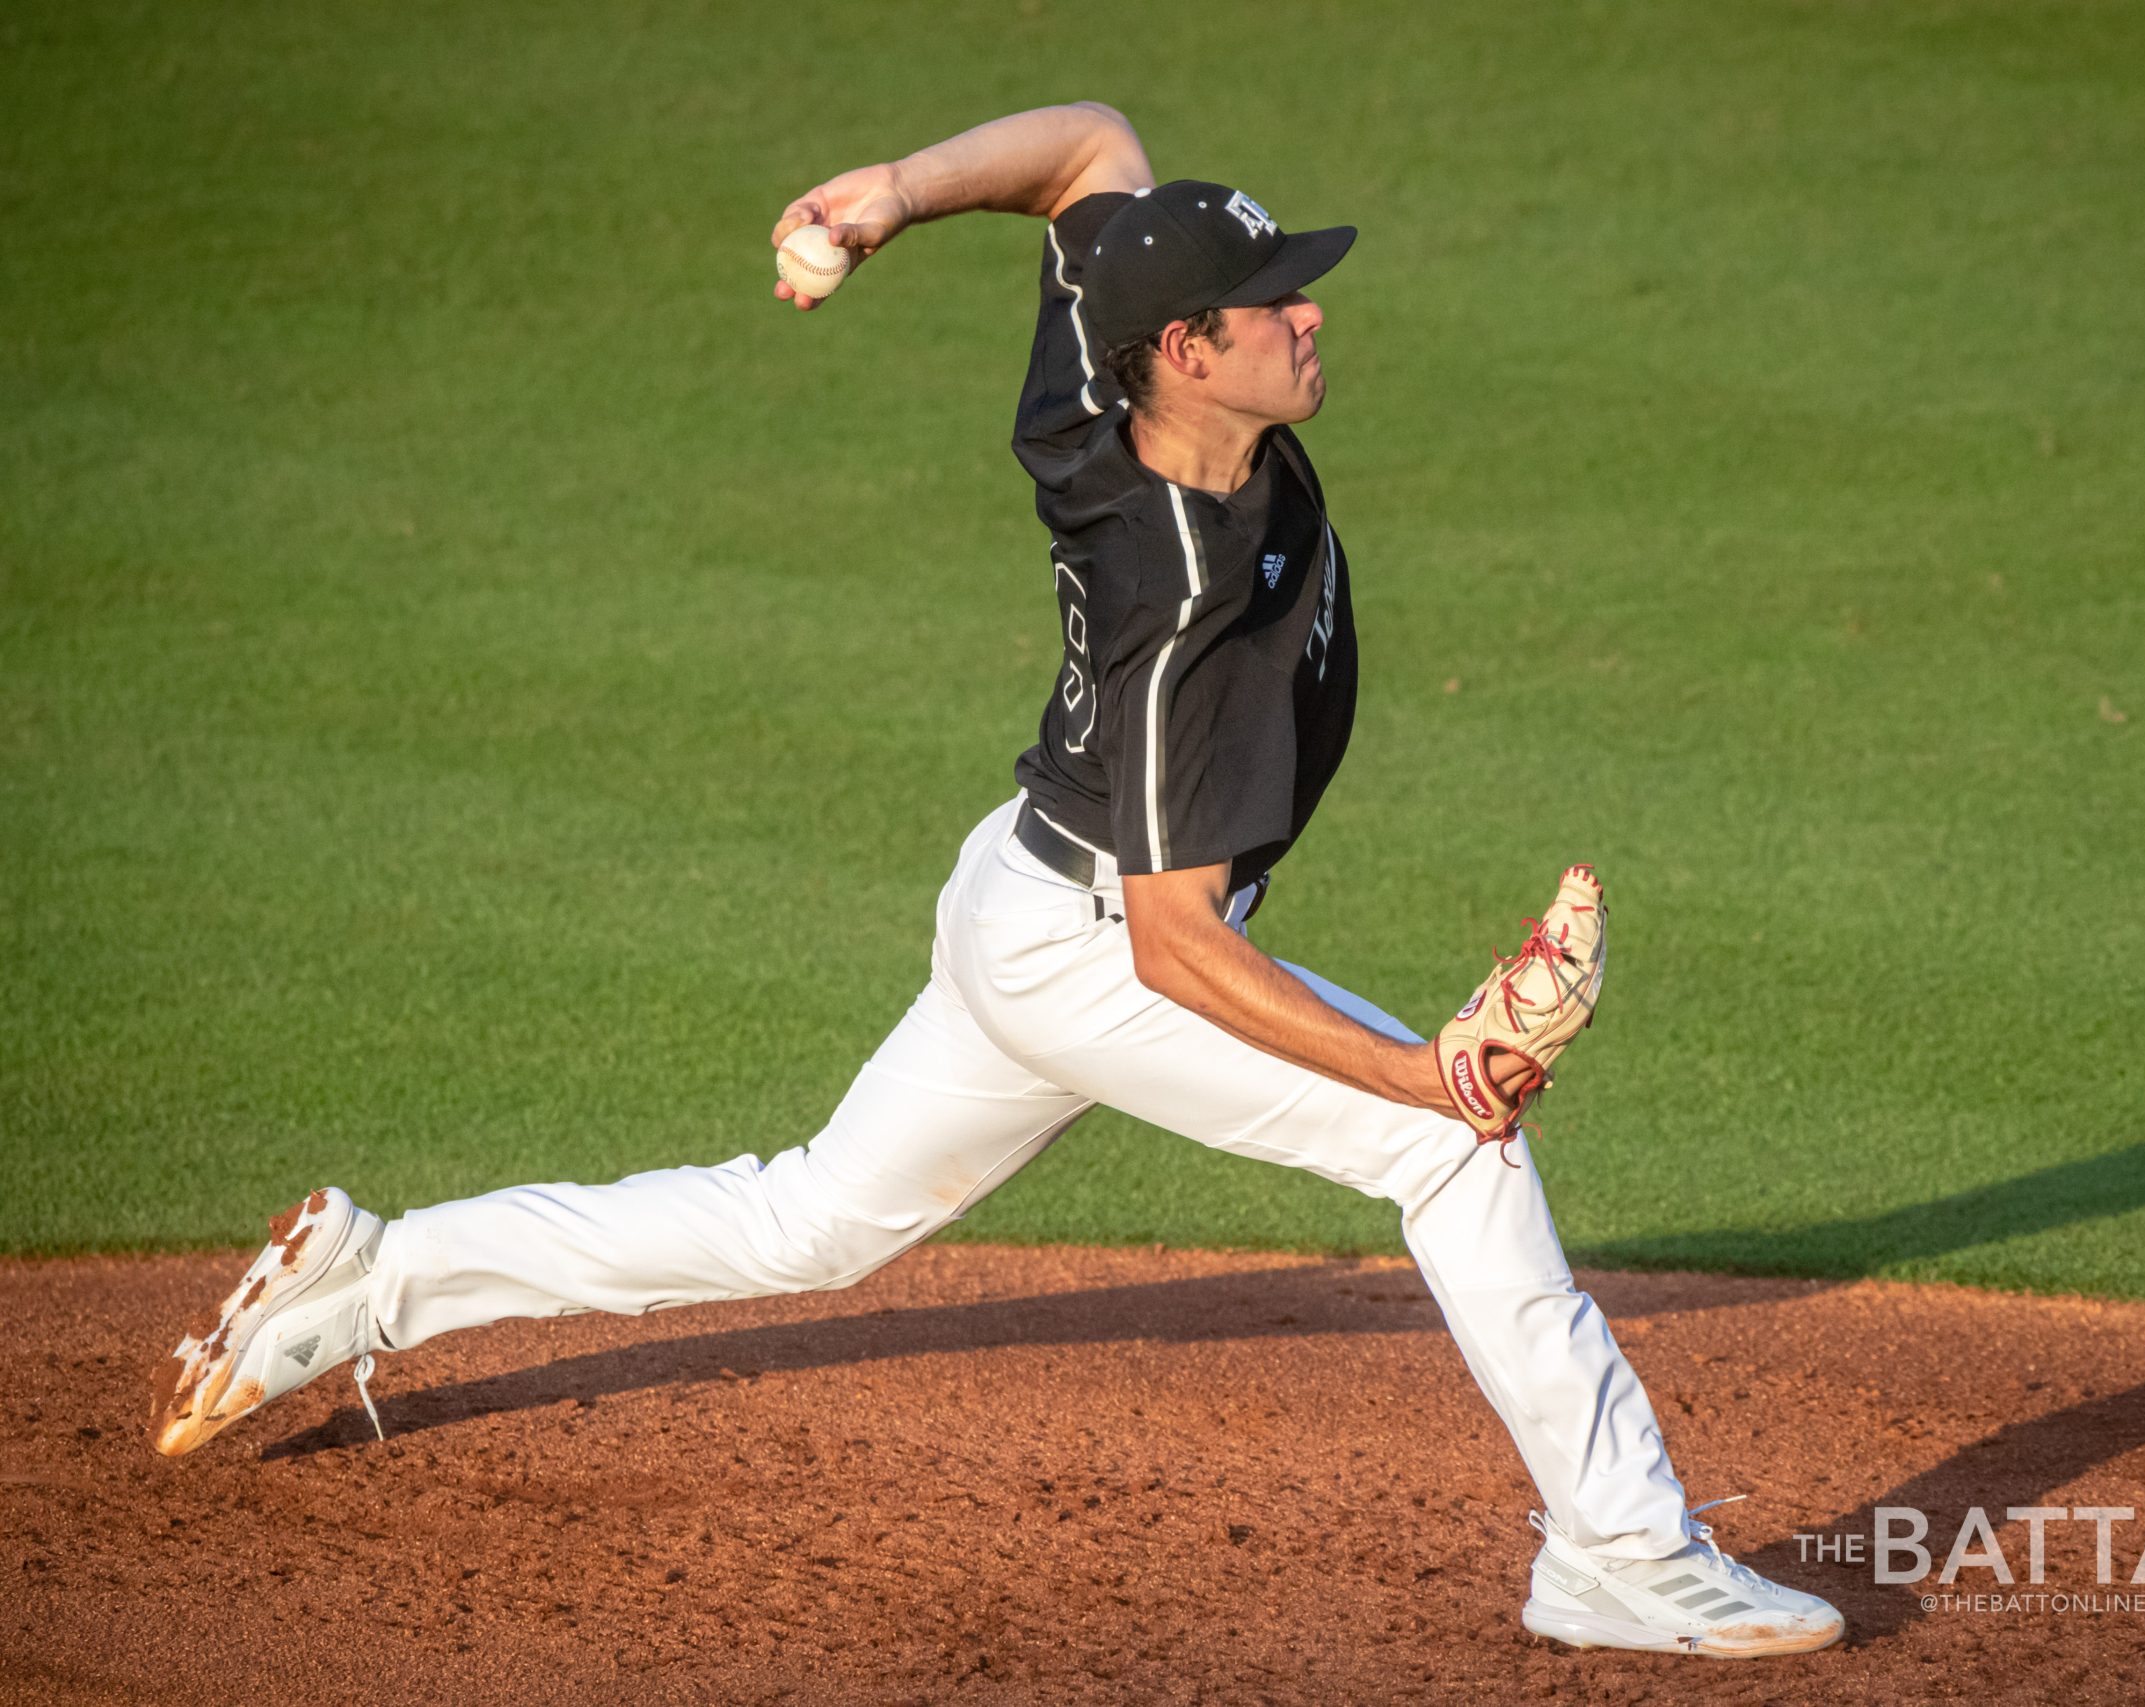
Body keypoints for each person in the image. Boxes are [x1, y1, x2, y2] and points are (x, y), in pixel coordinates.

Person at [146, 101, 1843, 1661]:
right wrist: (1422, 1074)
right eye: (1274, 305)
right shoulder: (1190, 602)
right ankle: (1622, 1553)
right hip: (1108, 954)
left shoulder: (1109, 391)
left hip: (1021, 896)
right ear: (1188, 349)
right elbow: (1180, 951)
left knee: (807, 1221)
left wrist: (887, 196)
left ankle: (376, 1278)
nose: (1311, 314)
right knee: (1454, 1154)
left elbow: (1089, 140)